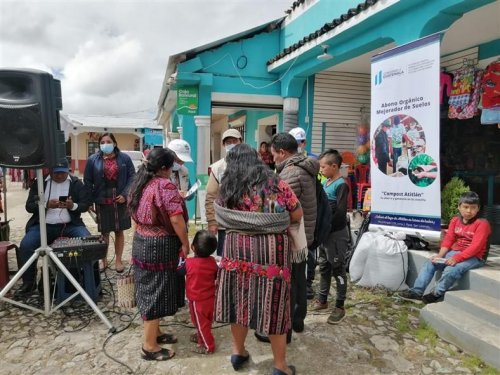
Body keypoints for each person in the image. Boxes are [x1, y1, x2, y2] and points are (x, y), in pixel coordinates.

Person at [214, 144, 302, 375]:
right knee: (274, 303)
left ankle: (237, 352)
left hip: (236, 250)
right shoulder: (274, 183)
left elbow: (220, 215)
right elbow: (296, 212)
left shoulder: (227, 187)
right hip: (270, 250)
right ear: (256, 160)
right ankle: (280, 366)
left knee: (239, 298)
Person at [253, 133, 318, 341]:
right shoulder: (305, 168)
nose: (272, 159)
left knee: (287, 285)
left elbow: (278, 209)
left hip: (292, 235)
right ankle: (297, 322)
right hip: (303, 234)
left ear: (282, 152)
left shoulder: (289, 174)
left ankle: (284, 330)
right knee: (298, 281)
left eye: (273, 154)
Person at [128, 148, 190, 361]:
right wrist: (185, 243)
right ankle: (149, 346)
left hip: (142, 241)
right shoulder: (165, 185)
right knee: (156, 292)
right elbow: (176, 219)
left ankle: (157, 332)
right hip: (159, 245)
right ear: (166, 167)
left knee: (149, 289)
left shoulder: (139, 182)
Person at [16, 161, 92, 295]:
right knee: (26, 245)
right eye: (56, 173)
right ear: (50, 171)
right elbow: (29, 206)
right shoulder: (40, 183)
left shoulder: (76, 184)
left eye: (62, 173)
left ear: (68, 170)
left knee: (87, 240)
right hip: (43, 226)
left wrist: (72, 206)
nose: (59, 176)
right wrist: (45, 205)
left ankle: (83, 279)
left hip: (70, 225)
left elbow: (85, 205)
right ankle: (28, 283)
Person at [401, 191, 491, 304]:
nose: (469, 211)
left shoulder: (482, 223)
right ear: (459, 207)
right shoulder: (455, 220)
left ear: (478, 208)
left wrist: (457, 258)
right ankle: (416, 292)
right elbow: (449, 240)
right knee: (431, 262)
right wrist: (439, 255)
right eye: (466, 207)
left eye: (473, 208)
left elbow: (476, 247)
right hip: (456, 252)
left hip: (476, 256)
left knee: (452, 269)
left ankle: (436, 294)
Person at [84, 133, 135, 273]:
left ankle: (118, 260)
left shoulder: (125, 158)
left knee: (119, 231)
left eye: (108, 141)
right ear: (99, 144)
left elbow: (132, 178)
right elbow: (87, 181)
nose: (105, 144)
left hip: (120, 199)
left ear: (115, 143)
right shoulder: (92, 160)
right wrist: (89, 201)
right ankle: (103, 260)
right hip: (102, 199)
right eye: (103, 142)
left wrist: (125, 195)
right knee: (104, 233)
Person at [313, 149, 350, 325]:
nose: (320, 169)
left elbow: (340, 213)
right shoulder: (327, 182)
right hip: (324, 235)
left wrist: (326, 228)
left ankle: (340, 306)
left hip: (335, 235)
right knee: (324, 267)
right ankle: (322, 299)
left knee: (338, 269)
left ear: (334, 166)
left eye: (323, 166)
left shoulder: (341, 185)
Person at [205, 128, 243, 256]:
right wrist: (211, 221)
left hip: (247, 223)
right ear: (223, 145)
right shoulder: (217, 168)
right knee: (224, 260)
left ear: (241, 142)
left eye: (234, 141)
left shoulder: (253, 164)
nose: (231, 144)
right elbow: (211, 196)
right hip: (225, 225)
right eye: (228, 142)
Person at [185, 230, 218, 354]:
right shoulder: (212, 261)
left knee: (200, 323)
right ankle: (200, 337)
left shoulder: (189, 263)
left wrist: (182, 255)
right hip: (210, 298)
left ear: (193, 247)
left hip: (197, 300)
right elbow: (216, 274)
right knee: (205, 322)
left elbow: (178, 270)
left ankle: (208, 346)